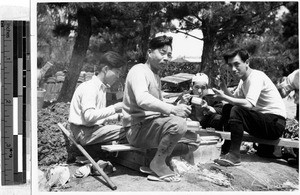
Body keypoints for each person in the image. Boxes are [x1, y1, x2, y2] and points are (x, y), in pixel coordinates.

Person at [122, 35, 199, 182]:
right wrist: (173, 110)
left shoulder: (155, 76)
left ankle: (155, 158)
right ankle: (158, 162)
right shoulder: (139, 70)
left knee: (194, 140)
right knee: (178, 125)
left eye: (169, 55)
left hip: (151, 127)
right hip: (137, 129)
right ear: (149, 52)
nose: (166, 58)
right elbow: (143, 99)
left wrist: (177, 106)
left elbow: (159, 106)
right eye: (162, 53)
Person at [212, 48, 287, 166]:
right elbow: (233, 99)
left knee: (237, 110)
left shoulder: (256, 77)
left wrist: (224, 98)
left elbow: (248, 104)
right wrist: (223, 87)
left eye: (237, 64)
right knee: (229, 108)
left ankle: (234, 155)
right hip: (263, 120)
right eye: (230, 65)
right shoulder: (243, 81)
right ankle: (226, 150)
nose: (233, 69)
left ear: (247, 62)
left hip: (275, 123)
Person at [68, 51, 127, 147]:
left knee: (127, 129)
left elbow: (96, 117)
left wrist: (118, 116)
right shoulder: (90, 87)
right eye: (116, 72)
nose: (118, 76)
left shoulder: (101, 88)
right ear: (106, 69)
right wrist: (114, 108)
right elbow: (89, 117)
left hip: (91, 130)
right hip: (84, 133)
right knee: (129, 131)